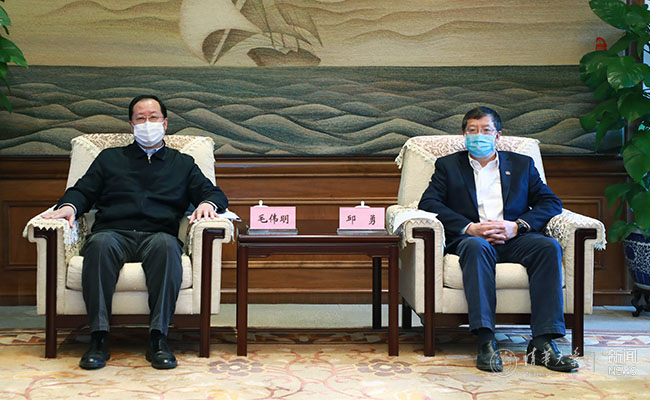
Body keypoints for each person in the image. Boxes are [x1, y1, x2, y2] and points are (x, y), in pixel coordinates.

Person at [42, 95, 228, 370]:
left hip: (158, 235)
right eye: (140, 118)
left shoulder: (182, 163)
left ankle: (158, 338)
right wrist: (70, 207)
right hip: (113, 232)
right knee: (99, 245)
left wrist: (206, 204)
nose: (147, 123)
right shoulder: (109, 159)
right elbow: (82, 191)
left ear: (165, 123)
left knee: (167, 248)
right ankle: (99, 338)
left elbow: (215, 194)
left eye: (153, 117)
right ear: (131, 126)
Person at [418, 106, 578, 373]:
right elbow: (428, 202)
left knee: (547, 247)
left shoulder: (521, 164)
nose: (478, 136)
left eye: (486, 130)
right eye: (472, 130)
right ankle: (486, 340)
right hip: (473, 239)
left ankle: (542, 343)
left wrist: (517, 226)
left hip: (514, 238)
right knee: (476, 247)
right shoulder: (448, 166)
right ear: (464, 135)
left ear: (498, 135)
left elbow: (550, 202)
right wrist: (469, 227)